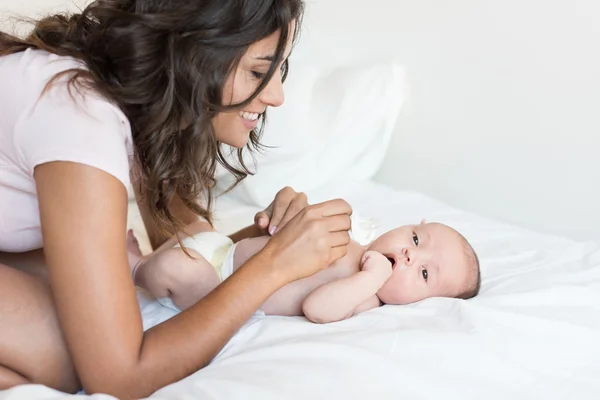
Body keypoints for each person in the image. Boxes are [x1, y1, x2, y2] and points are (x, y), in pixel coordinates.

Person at [0, 1, 355, 398]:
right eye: (259, 71)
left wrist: (270, 240)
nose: (276, 96)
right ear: (195, 54)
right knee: (68, 353)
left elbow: (187, 253)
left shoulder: (143, 110)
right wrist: (272, 267)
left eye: (278, 70)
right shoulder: (78, 113)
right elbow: (119, 376)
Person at [128, 219, 481, 322]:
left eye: (423, 273)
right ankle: (146, 253)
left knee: (175, 267)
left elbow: (317, 308)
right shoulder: (353, 236)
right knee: (195, 223)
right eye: (417, 238)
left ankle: (133, 267)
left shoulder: (367, 296)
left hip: (217, 289)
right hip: (224, 250)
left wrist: (371, 278)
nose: (408, 254)